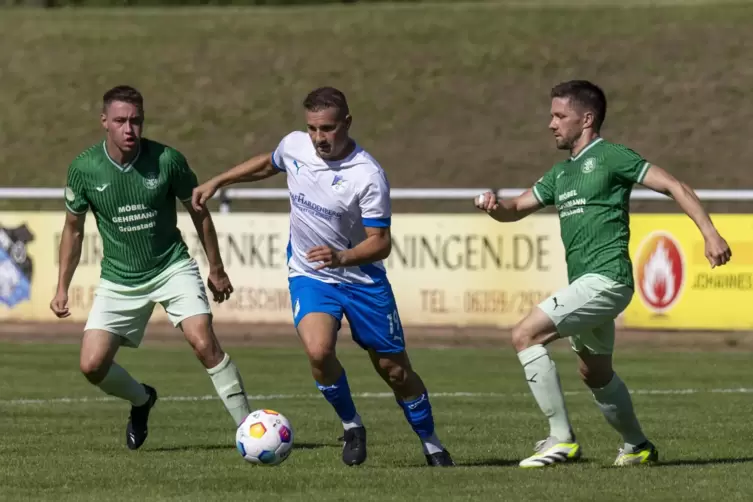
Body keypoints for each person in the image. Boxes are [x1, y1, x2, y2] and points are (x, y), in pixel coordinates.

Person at [191, 87, 454, 467]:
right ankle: (352, 424)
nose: (319, 138)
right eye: (312, 128)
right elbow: (270, 162)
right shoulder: (296, 146)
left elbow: (380, 244)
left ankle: (431, 442)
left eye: (327, 129)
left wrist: (342, 256)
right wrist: (219, 181)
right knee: (318, 350)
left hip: (362, 280)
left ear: (346, 123)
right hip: (310, 273)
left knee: (395, 371)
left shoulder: (367, 175)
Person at [474, 80, 731, 468]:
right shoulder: (560, 174)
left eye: (560, 116)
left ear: (587, 118)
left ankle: (560, 440)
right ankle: (638, 446)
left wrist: (710, 234)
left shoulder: (611, 156)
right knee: (594, 373)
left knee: (525, 334)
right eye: (551, 115)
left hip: (608, 278)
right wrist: (495, 207)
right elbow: (515, 208)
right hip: (585, 283)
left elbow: (674, 185)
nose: (551, 124)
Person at [50, 85, 252, 450]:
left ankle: (250, 431)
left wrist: (216, 268)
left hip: (171, 266)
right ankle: (142, 400)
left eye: (136, 121)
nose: (130, 129)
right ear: (104, 123)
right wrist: (62, 286)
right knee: (92, 366)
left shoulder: (167, 160)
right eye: (121, 121)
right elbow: (73, 230)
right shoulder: (83, 169)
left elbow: (199, 212)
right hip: (119, 279)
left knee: (203, 342)